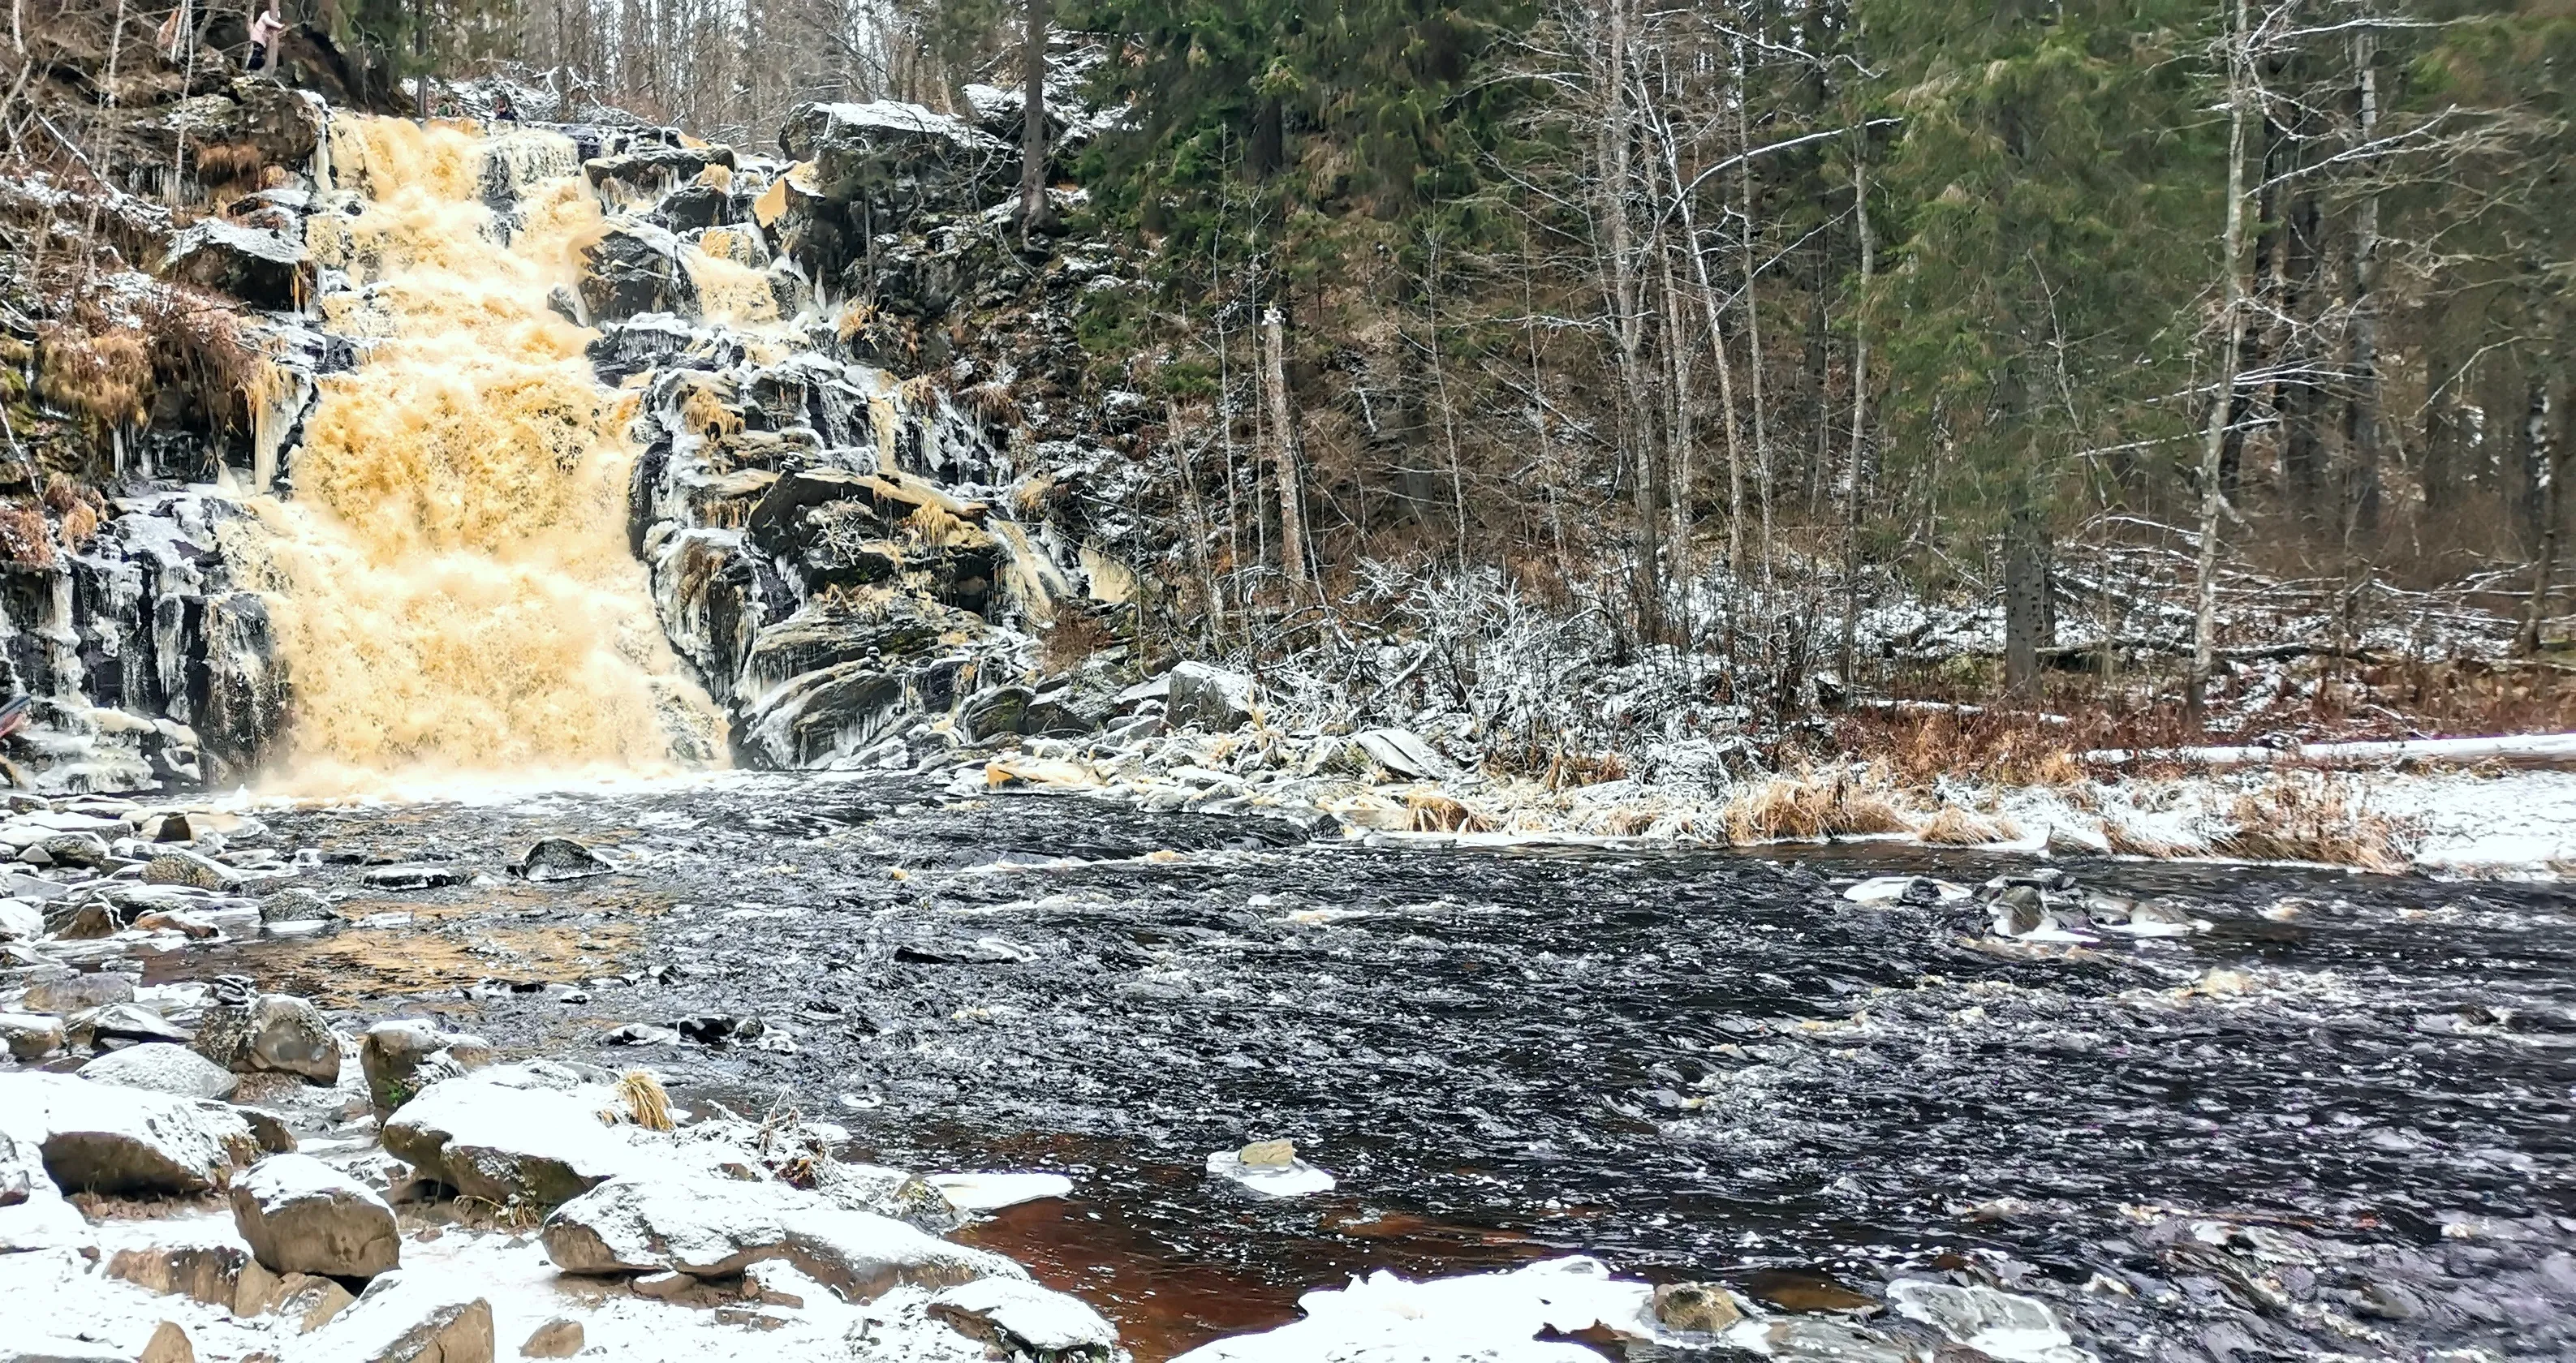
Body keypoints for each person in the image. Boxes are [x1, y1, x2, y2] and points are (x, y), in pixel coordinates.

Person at [246, 0, 283, 73]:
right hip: (257, 38)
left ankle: (253, 69)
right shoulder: (265, 15)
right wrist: (280, 26)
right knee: (256, 53)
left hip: (261, 40)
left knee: (258, 53)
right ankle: (250, 69)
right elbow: (270, 22)